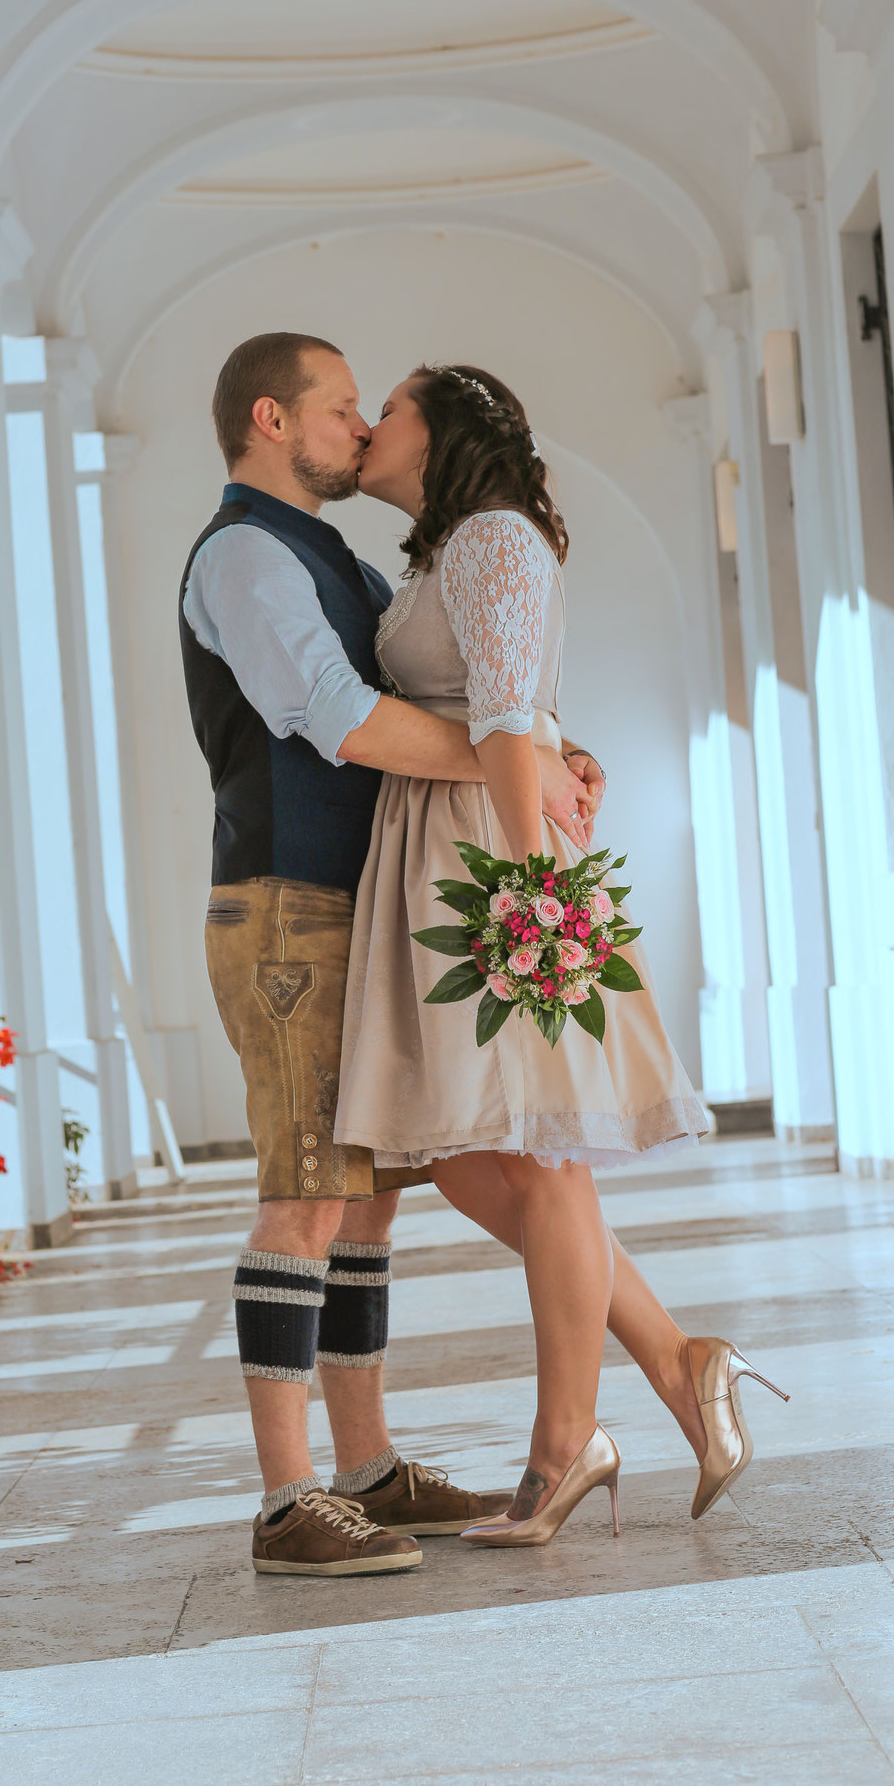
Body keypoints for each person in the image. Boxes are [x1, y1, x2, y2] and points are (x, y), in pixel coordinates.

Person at [336, 363, 788, 1545]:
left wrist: (530, 885)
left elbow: (500, 716)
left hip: (487, 850)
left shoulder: (493, 536)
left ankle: (565, 1440)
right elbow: (515, 703)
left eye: (390, 406)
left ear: (441, 432)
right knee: (465, 1152)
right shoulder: (451, 549)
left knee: (540, 1157)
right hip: (447, 841)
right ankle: (681, 1359)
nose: (371, 425)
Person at [179, 332, 606, 1576]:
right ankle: (284, 1497)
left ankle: (365, 1469)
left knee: (364, 1196)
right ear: (273, 418)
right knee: (308, 1188)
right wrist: (504, 761)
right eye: (340, 409)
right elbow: (344, 717)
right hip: (287, 905)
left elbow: (472, 695)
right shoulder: (248, 553)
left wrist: (550, 753)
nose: (359, 430)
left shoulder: (346, 557)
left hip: (350, 906)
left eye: (373, 411)